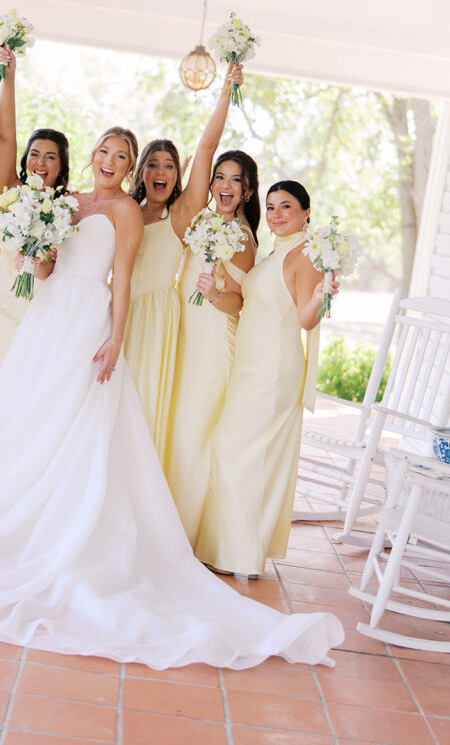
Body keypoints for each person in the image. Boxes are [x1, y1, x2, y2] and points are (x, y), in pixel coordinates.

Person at [0, 130, 343, 670]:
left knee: (76, 418)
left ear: (128, 167)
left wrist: (116, 337)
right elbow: (46, 268)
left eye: (122, 157)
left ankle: (60, 524)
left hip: (90, 317)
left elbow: (122, 279)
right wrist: (34, 250)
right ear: (92, 157)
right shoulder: (67, 202)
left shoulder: (126, 212)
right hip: (51, 314)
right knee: (27, 412)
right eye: (105, 153)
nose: (111, 162)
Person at [196, 180, 335, 577]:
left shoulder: (305, 255)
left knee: (237, 449)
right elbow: (248, 304)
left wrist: (322, 297)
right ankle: (232, 550)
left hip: (273, 368)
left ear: (306, 212)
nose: (275, 214)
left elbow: (306, 319)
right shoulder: (278, 251)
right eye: (271, 206)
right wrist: (213, 293)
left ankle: (240, 555)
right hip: (251, 365)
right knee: (237, 451)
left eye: (286, 206)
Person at [124, 63, 244, 467]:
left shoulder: (180, 213)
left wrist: (225, 91)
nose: (161, 171)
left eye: (169, 165)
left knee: (139, 403)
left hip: (155, 316)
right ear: (141, 170)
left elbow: (207, 147)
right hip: (116, 310)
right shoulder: (126, 210)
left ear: (179, 174)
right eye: (153, 163)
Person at [165, 147, 259, 547]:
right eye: (220, 177)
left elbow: (237, 302)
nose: (225, 186)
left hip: (213, 341)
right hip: (184, 332)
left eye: (235, 180)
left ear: (247, 191)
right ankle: (160, 518)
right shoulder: (203, 219)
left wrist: (214, 293)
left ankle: (182, 532)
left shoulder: (241, 237)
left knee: (193, 434)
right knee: (174, 426)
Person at [0, 48, 70, 394]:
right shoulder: (9, 192)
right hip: (6, 301)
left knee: (31, 389)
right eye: (34, 154)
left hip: (45, 310)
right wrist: (9, 77)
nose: (40, 163)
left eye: (50, 157)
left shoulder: (66, 210)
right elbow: (6, 136)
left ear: (61, 166)